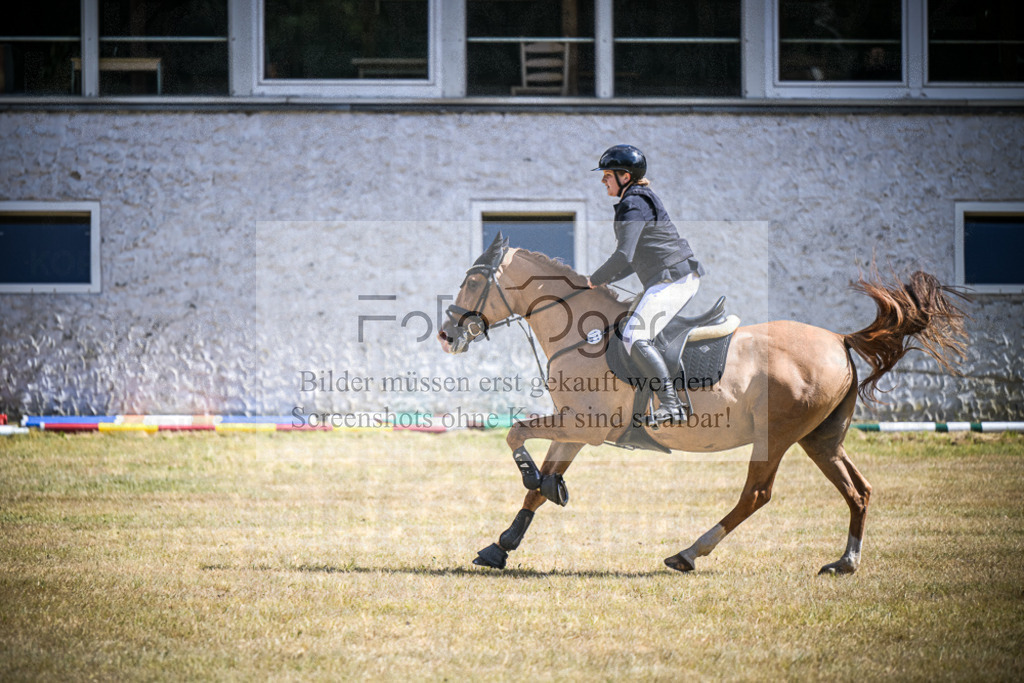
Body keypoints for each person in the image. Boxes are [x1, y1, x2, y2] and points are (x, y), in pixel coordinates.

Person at [587, 144, 704, 426]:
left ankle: (671, 405)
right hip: (669, 276)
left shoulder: (633, 203)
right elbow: (631, 262)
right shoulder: (639, 199)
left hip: (672, 278)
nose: (603, 180)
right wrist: (600, 282)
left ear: (624, 177)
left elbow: (623, 256)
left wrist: (592, 280)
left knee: (633, 337)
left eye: (607, 175)